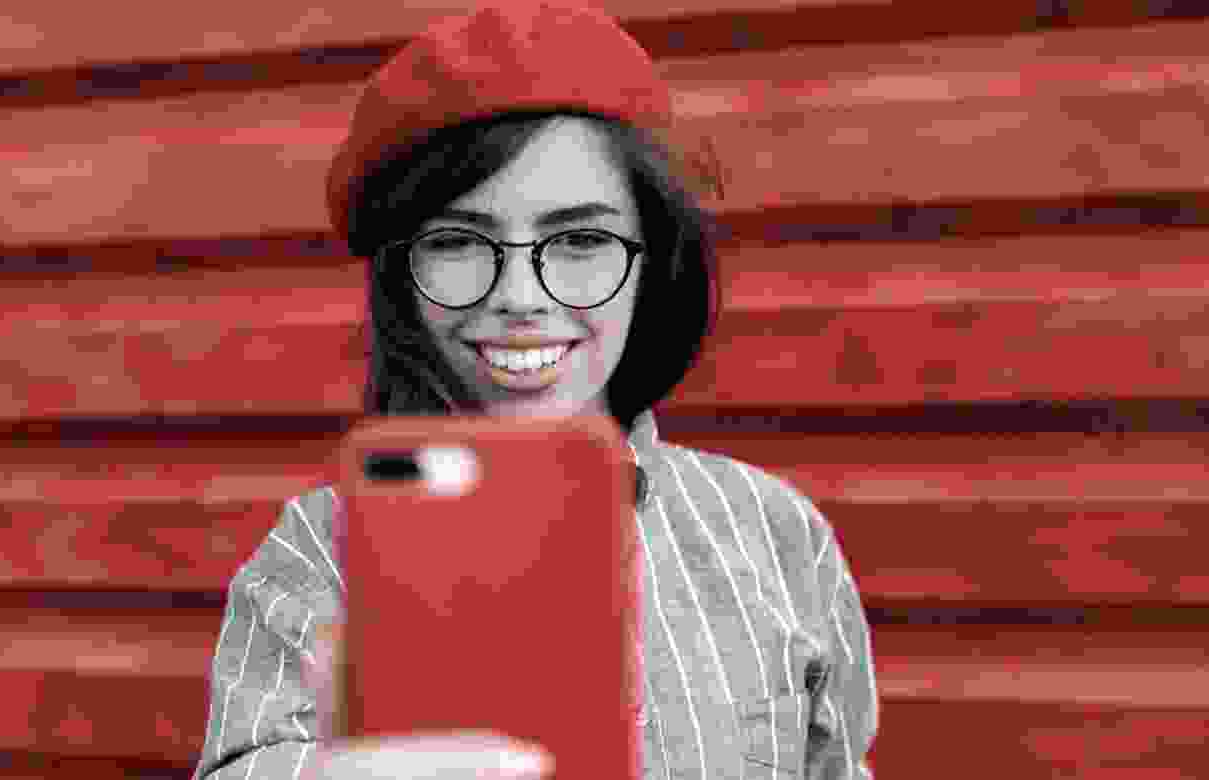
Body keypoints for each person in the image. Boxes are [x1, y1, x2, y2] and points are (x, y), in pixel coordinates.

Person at [191, 2, 878, 778]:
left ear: (656, 262)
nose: (520, 297)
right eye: (458, 241)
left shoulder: (778, 535)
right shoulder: (318, 554)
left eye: (580, 239)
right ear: (400, 277)